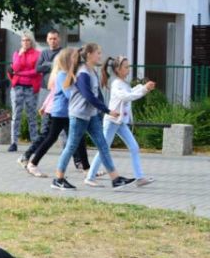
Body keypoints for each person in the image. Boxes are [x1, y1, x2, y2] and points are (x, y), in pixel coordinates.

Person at [52, 43, 135, 191]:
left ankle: (115, 179)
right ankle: (58, 179)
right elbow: (88, 95)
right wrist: (107, 110)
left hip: (91, 115)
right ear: (89, 54)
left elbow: (97, 94)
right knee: (71, 146)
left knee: (103, 145)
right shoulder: (83, 72)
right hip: (79, 115)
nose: (100, 55)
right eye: (98, 53)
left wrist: (104, 110)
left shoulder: (91, 71)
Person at [86, 56, 156, 187]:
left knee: (134, 147)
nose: (128, 69)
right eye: (126, 67)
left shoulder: (123, 83)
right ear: (118, 69)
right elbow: (127, 96)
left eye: (128, 66)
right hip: (112, 121)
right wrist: (144, 89)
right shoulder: (116, 84)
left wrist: (143, 87)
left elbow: (131, 91)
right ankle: (90, 177)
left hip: (120, 122)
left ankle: (139, 178)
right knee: (103, 149)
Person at [21, 48, 89, 178]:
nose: (77, 61)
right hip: (60, 112)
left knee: (79, 138)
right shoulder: (62, 75)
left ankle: (87, 168)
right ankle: (32, 164)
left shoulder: (69, 74)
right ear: (68, 60)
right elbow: (68, 94)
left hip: (67, 112)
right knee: (51, 138)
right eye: (75, 58)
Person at [8, 33, 40, 153]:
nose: (25, 42)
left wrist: (21, 73)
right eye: (23, 40)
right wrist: (20, 55)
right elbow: (15, 68)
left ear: (32, 42)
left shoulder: (37, 54)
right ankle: (13, 142)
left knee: (32, 115)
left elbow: (36, 71)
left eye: (27, 40)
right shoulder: (17, 53)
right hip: (17, 87)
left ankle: (35, 142)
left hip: (31, 87)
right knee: (16, 115)